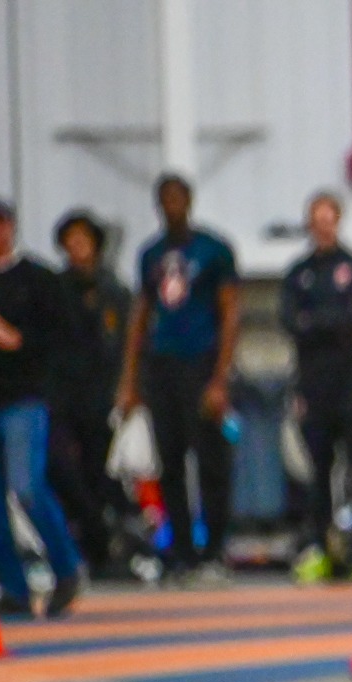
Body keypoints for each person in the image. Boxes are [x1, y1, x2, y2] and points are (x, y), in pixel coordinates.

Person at [0, 199, 85, 616]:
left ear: (11, 228)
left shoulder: (37, 279)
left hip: (22, 398)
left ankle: (65, 569)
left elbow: (60, 337)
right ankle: (14, 588)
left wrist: (14, 339)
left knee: (26, 488)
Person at [116, 173, 241, 582]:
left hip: (202, 361)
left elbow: (229, 313)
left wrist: (220, 378)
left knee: (211, 460)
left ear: (189, 201)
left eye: (178, 197)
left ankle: (214, 549)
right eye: (164, 198)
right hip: (162, 362)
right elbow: (141, 316)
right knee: (169, 461)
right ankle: (182, 550)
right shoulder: (150, 254)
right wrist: (130, 380)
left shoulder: (214, 250)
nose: (172, 205)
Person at [279, 191, 352, 582]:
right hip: (312, 384)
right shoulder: (297, 271)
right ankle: (318, 546)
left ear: (338, 221)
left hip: (350, 383)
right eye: (316, 220)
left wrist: (317, 321)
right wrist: (325, 323)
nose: (323, 227)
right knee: (317, 472)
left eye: (328, 219)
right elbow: (290, 321)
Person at [51, 209, 134, 576]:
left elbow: (125, 343)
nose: (78, 248)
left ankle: (103, 549)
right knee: (64, 470)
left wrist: (127, 387)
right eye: (71, 241)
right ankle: (86, 539)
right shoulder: (55, 289)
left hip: (103, 393)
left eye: (84, 240)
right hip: (65, 393)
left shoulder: (113, 290)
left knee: (102, 473)